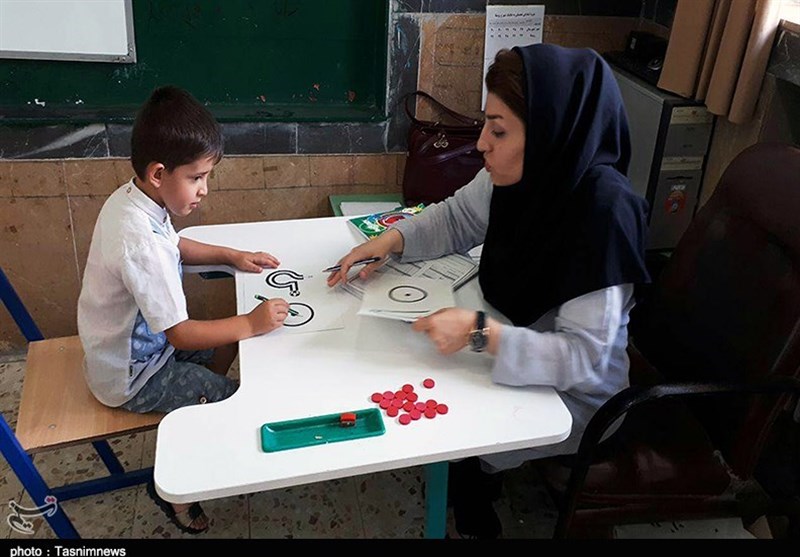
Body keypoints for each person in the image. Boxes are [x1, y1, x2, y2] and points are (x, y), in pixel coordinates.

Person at [326, 44, 651, 538]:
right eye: (486, 124)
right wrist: (390, 241)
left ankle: (475, 479)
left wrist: (481, 334)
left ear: (547, 132)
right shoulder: (523, 172)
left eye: (498, 130)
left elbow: (584, 358)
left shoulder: (606, 215)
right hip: (513, 334)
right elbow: (458, 216)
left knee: (449, 426)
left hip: (581, 396)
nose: (481, 143)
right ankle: (474, 474)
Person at [77, 85, 292, 535]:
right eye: (197, 178)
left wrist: (231, 255)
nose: (204, 190)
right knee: (230, 397)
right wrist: (252, 323)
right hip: (132, 377)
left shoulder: (136, 200)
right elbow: (180, 334)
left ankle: (201, 392)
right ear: (159, 173)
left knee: (233, 342)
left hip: (138, 351)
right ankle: (173, 489)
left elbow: (176, 245)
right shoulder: (139, 241)